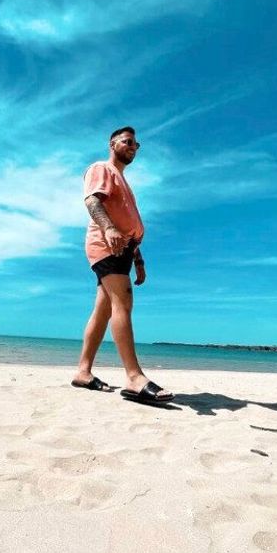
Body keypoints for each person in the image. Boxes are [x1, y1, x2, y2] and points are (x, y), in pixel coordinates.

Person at [71, 126, 174, 405]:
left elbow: (130, 226)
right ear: (112, 143)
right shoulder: (101, 168)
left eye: (136, 144)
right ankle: (133, 376)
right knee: (123, 302)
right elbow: (92, 201)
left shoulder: (123, 181)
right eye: (127, 142)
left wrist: (138, 259)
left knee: (103, 310)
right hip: (107, 246)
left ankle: (83, 372)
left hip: (124, 249)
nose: (133, 147)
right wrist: (108, 229)